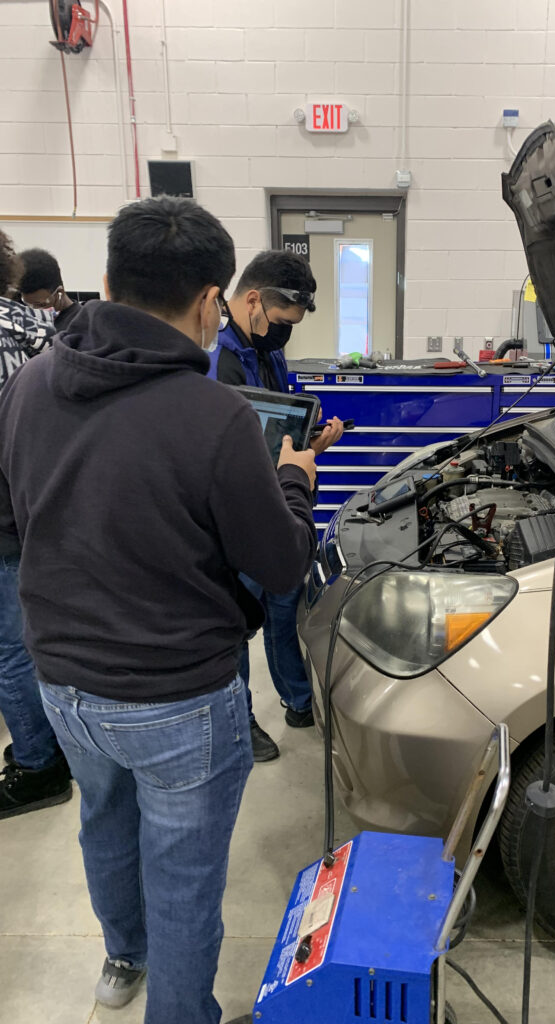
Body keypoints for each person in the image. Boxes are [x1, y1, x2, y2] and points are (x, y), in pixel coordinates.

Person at [0, 196, 317, 1024]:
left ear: (106, 281)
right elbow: (279, 562)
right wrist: (293, 478)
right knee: (183, 872)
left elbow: (14, 526)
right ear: (214, 299)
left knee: (104, 823)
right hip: (177, 694)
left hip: (64, 682)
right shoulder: (215, 418)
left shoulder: (28, 387)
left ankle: (122, 961)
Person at [208, 250, 343, 761]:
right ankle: (238, 721)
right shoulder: (217, 360)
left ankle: (297, 699)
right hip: (239, 513)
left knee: (286, 608)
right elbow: (229, 454)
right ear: (252, 300)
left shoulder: (268, 353)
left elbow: (276, 428)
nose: (282, 334)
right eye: (281, 322)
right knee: (239, 621)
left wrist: (313, 444)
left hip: (279, 501)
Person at [0, 229, 70, 819]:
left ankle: (37, 765)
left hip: (4, 516)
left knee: (10, 649)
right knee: (37, 633)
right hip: (45, 508)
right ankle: (55, 747)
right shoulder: (41, 331)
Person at [19, 247, 82, 331]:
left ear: (60, 292)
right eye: (27, 304)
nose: (34, 311)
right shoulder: (23, 321)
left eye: (41, 305)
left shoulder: (82, 324)